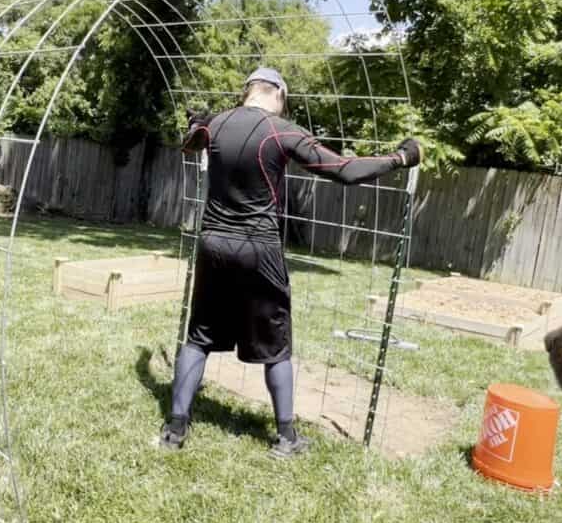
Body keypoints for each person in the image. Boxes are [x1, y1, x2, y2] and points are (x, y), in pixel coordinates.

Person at [160, 67, 421, 457]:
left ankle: (175, 430)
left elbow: (191, 142)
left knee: (198, 338)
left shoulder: (216, 124)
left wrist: (199, 125)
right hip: (259, 250)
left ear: (247, 91)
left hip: (213, 243)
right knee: (276, 344)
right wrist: (401, 157)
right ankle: (286, 438)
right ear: (278, 94)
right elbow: (344, 171)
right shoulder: (281, 130)